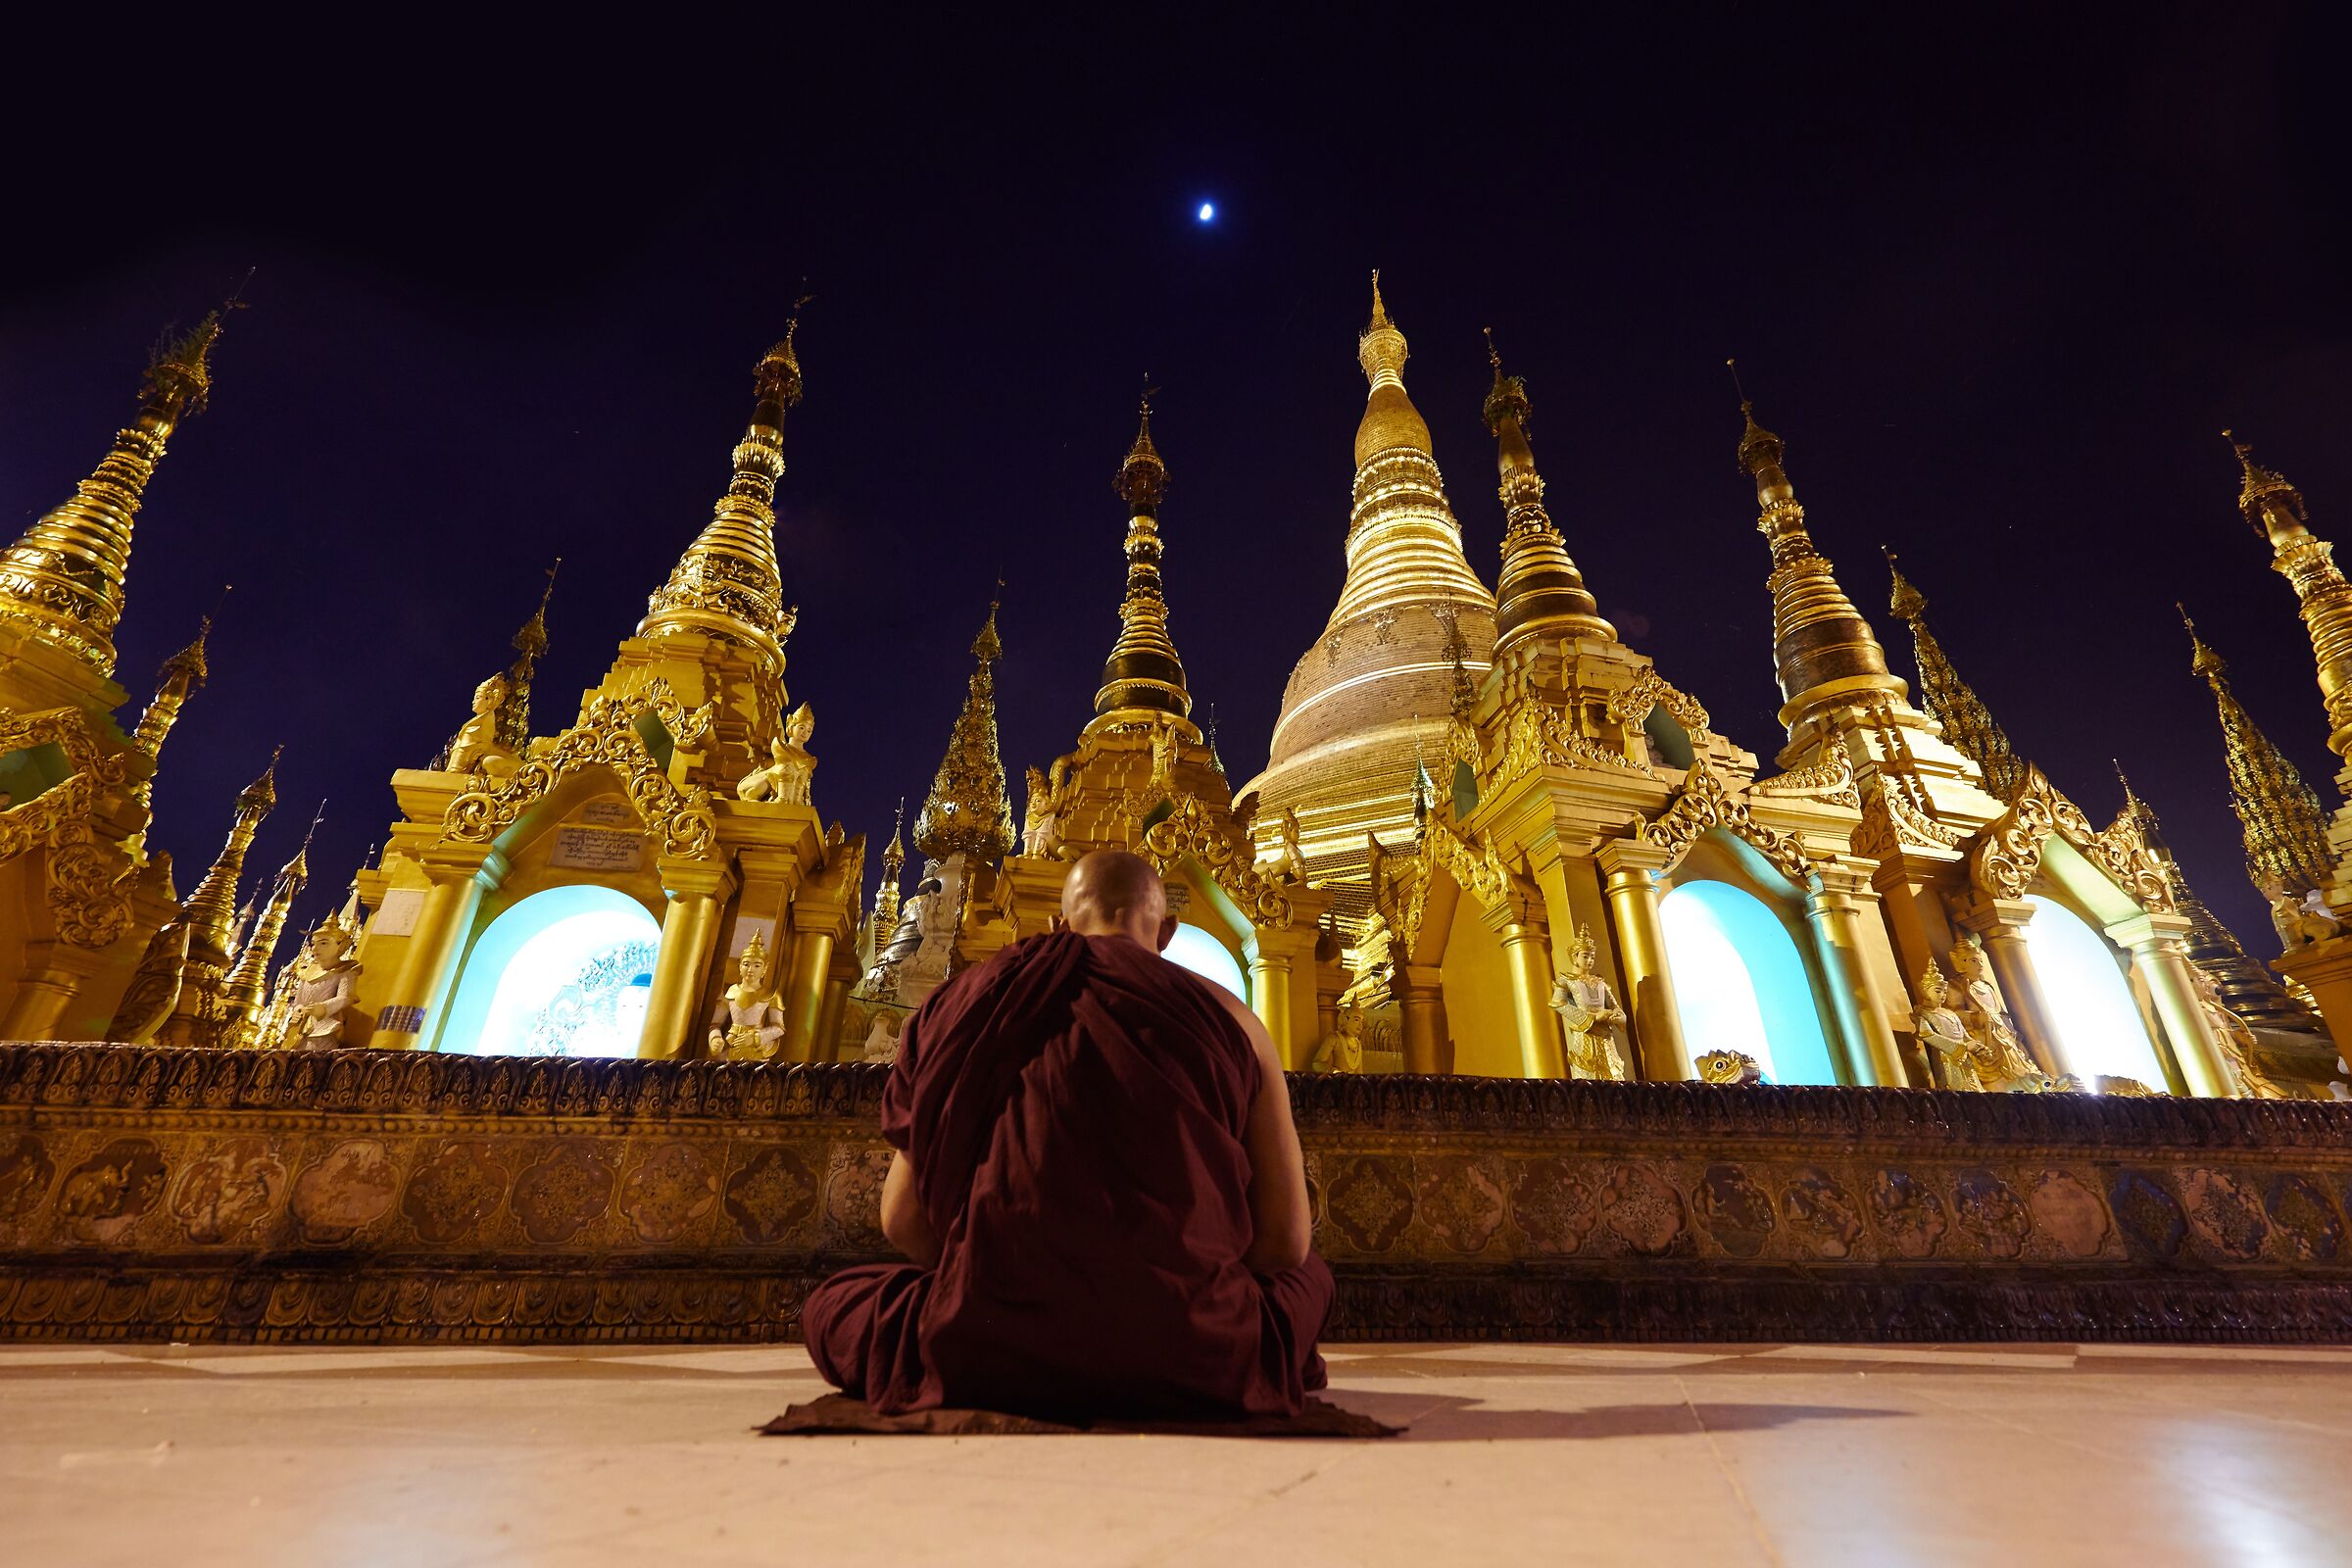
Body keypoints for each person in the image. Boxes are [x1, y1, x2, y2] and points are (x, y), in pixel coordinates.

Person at [802, 848, 1329, 1420]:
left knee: (833, 1306)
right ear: (1169, 932)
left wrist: (980, 1280)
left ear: (1058, 925)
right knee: (1311, 1279)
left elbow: (902, 1220)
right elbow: (1285, 1243)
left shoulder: (969, 1000)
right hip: (1193, 1343)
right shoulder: (1235, 1018)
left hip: (985, 1340)